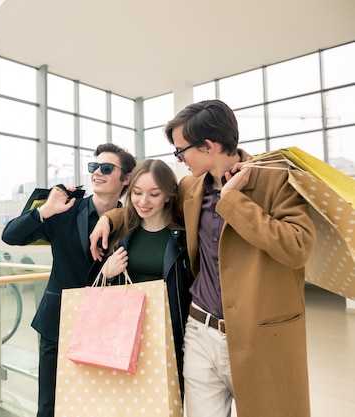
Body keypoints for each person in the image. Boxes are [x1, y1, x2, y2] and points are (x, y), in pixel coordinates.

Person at [89, 100, 316, 417]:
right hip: (200, 331)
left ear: (209, 146)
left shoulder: (276, 178)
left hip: (260, 335)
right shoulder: (190, 187)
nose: (179, 158)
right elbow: (154, 204)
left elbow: (297, 247)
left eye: (181, 150)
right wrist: (110, 219)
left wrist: (232, 201)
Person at [1, 143, 137, 417]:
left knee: (95, 403)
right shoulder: (65, 210)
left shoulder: (132, 220)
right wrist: (44, 211)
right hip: (58, 322)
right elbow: (10, 236)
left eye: (106, 168)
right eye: (93, 167)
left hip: (106, 326)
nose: (97, 172)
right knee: (49, 406)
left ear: (125, 179)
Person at [91, 158, 193, 396]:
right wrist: (106, 273)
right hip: (123, 337)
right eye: (137, 193)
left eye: (154, 194)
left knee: (166, 400)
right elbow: (101, 289)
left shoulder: (183, 238)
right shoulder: (123, 232)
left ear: (168, 195)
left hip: (168, 335)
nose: (143, 201)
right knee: (129, 401)